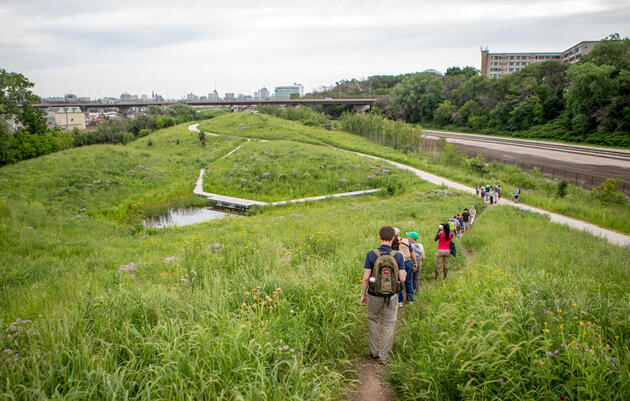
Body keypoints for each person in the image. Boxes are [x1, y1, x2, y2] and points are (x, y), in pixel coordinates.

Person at [361, 226, 406, 364]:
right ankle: (384, 356)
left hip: (374, 294)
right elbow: (403, 278)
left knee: (373, 321)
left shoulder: (371, 254)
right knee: (388, 324)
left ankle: (374, 352)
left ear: (379, 237)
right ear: (393, 239)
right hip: (392, 295)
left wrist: (363, 294)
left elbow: (365, 278)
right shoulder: (398, 256)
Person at [397, 231, 418, 307]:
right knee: (408, 281)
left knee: (398, 282)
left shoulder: (392, 242)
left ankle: (400, 301)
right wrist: (415, 263)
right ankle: (410, 300)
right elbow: (412, 253)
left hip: (398, 263)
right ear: (399, 234)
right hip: (407, 262)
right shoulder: (406, 241)